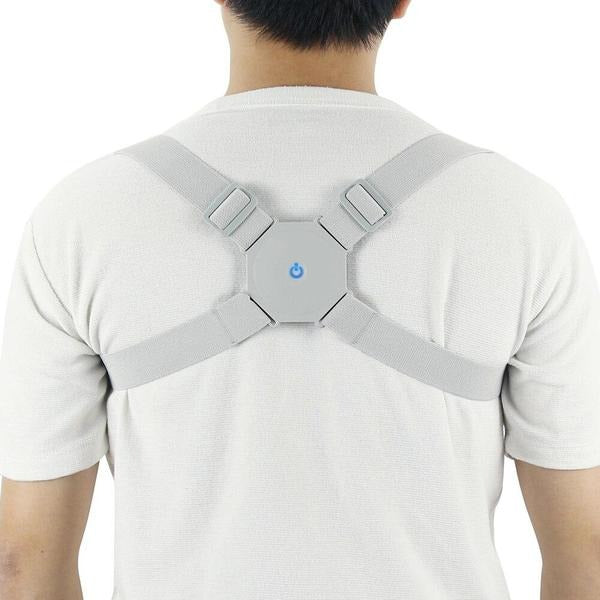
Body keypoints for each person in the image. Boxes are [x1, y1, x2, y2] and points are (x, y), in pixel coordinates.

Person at [1, 1, 599, 598]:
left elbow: (23, 559)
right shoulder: (522, 215)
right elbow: (587, 549)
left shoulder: (80, 217)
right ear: (401, 3)